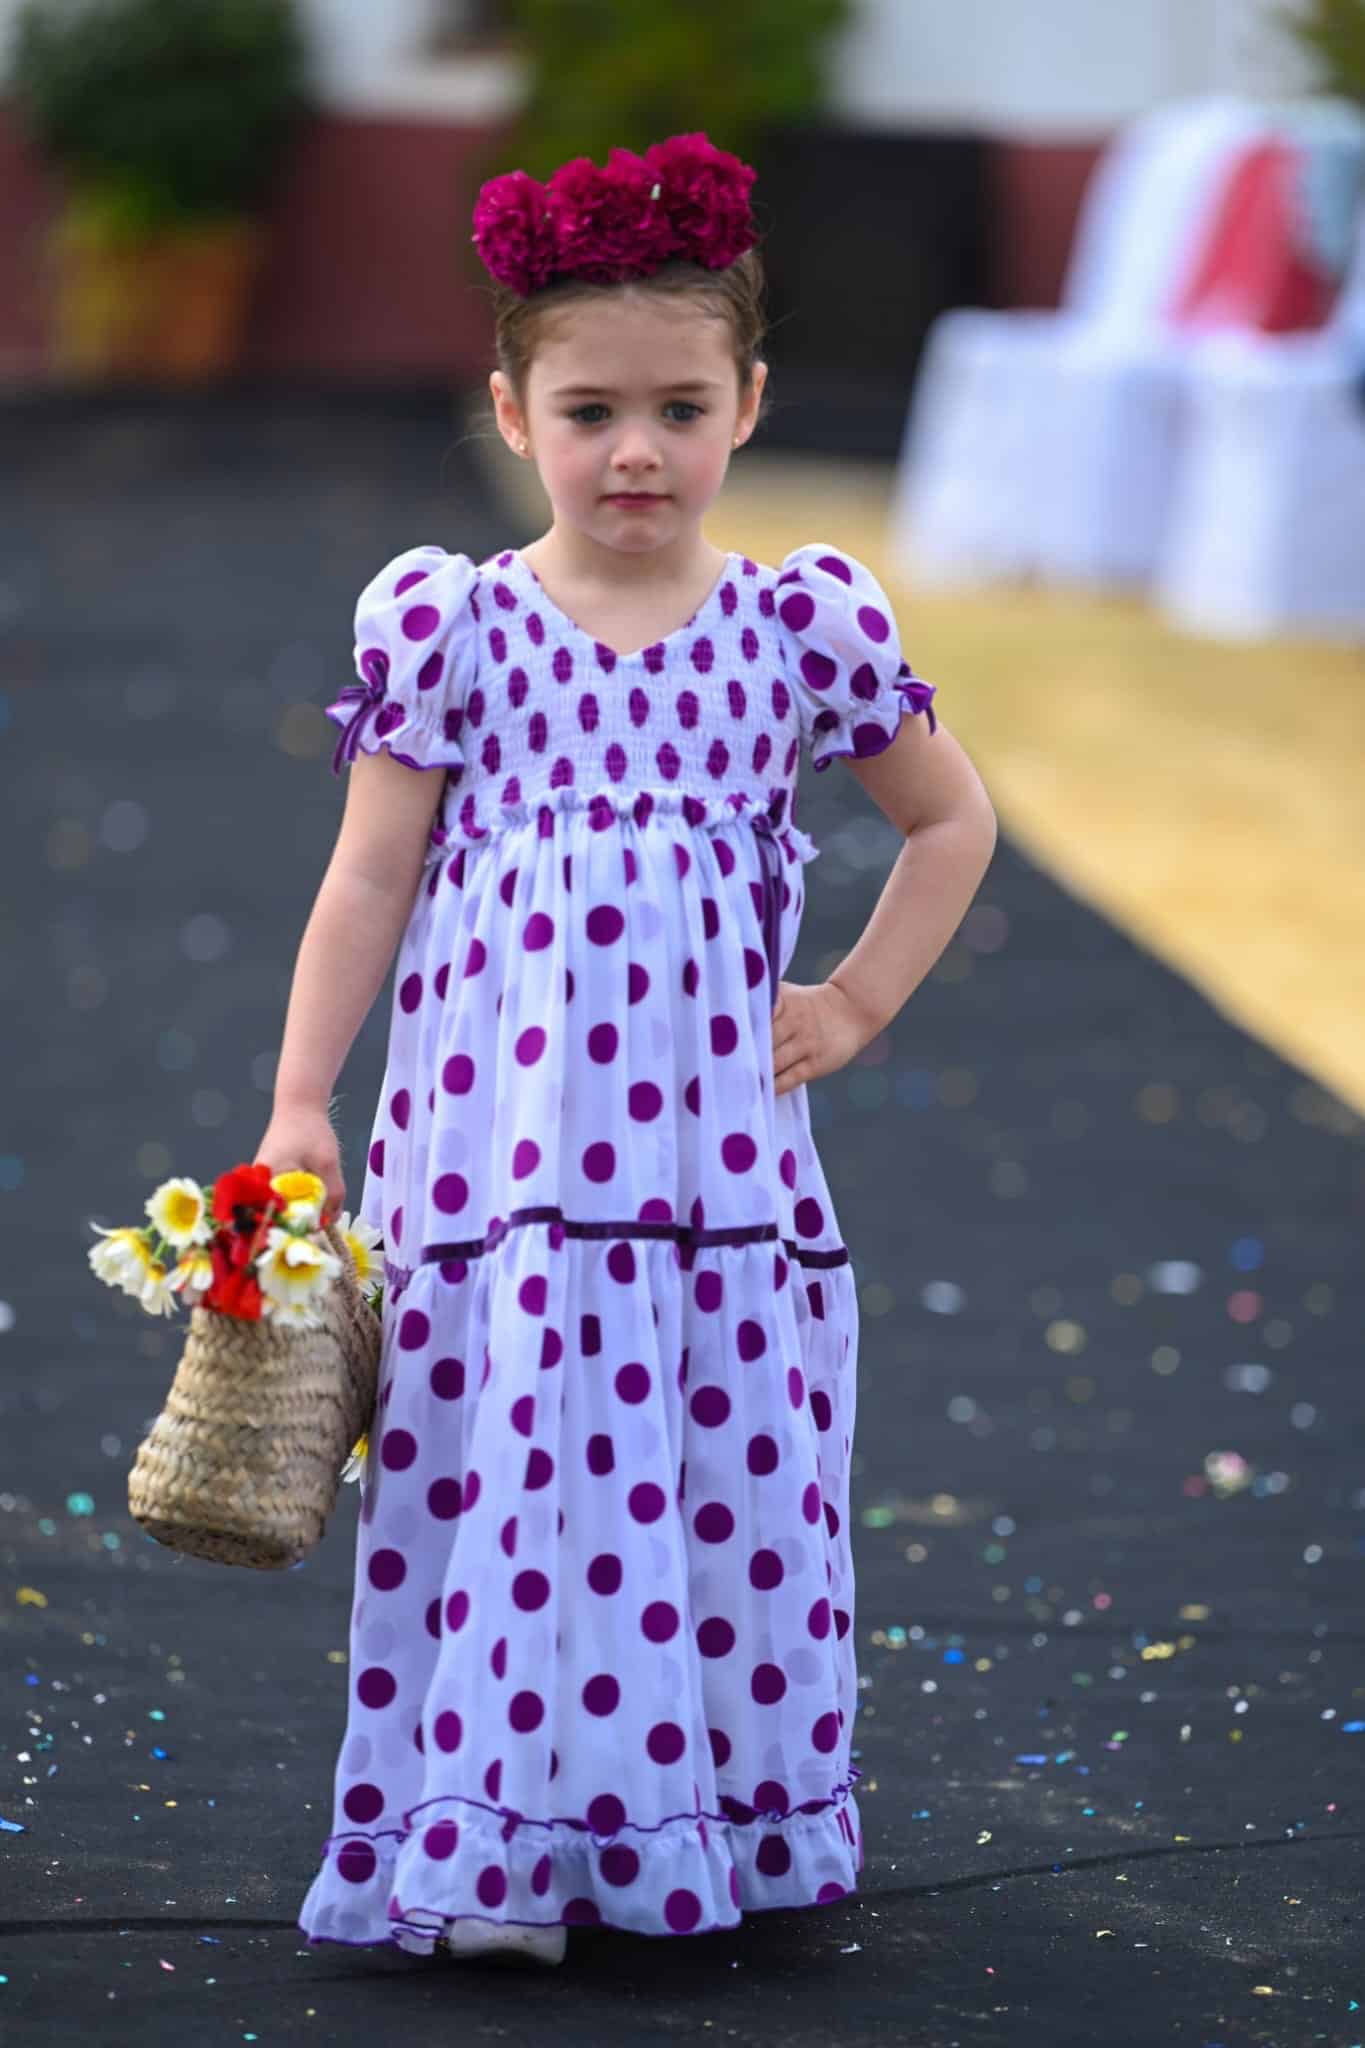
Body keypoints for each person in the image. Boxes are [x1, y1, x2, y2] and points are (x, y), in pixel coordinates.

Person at [261, 132, 998, 1969]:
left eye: (682, 404)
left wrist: (853, 999)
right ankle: (500, 1843)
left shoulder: (793, 628)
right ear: (510, 411)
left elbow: (949, 819)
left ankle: (700, 1831)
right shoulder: (452, 626)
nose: (638, 452)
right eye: (590, 410)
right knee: (513, 1482)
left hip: (708, 1191)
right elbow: (369, 876)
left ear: (749, 402)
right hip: (501, 1184)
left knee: (701, 1488)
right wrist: (297, 1103)